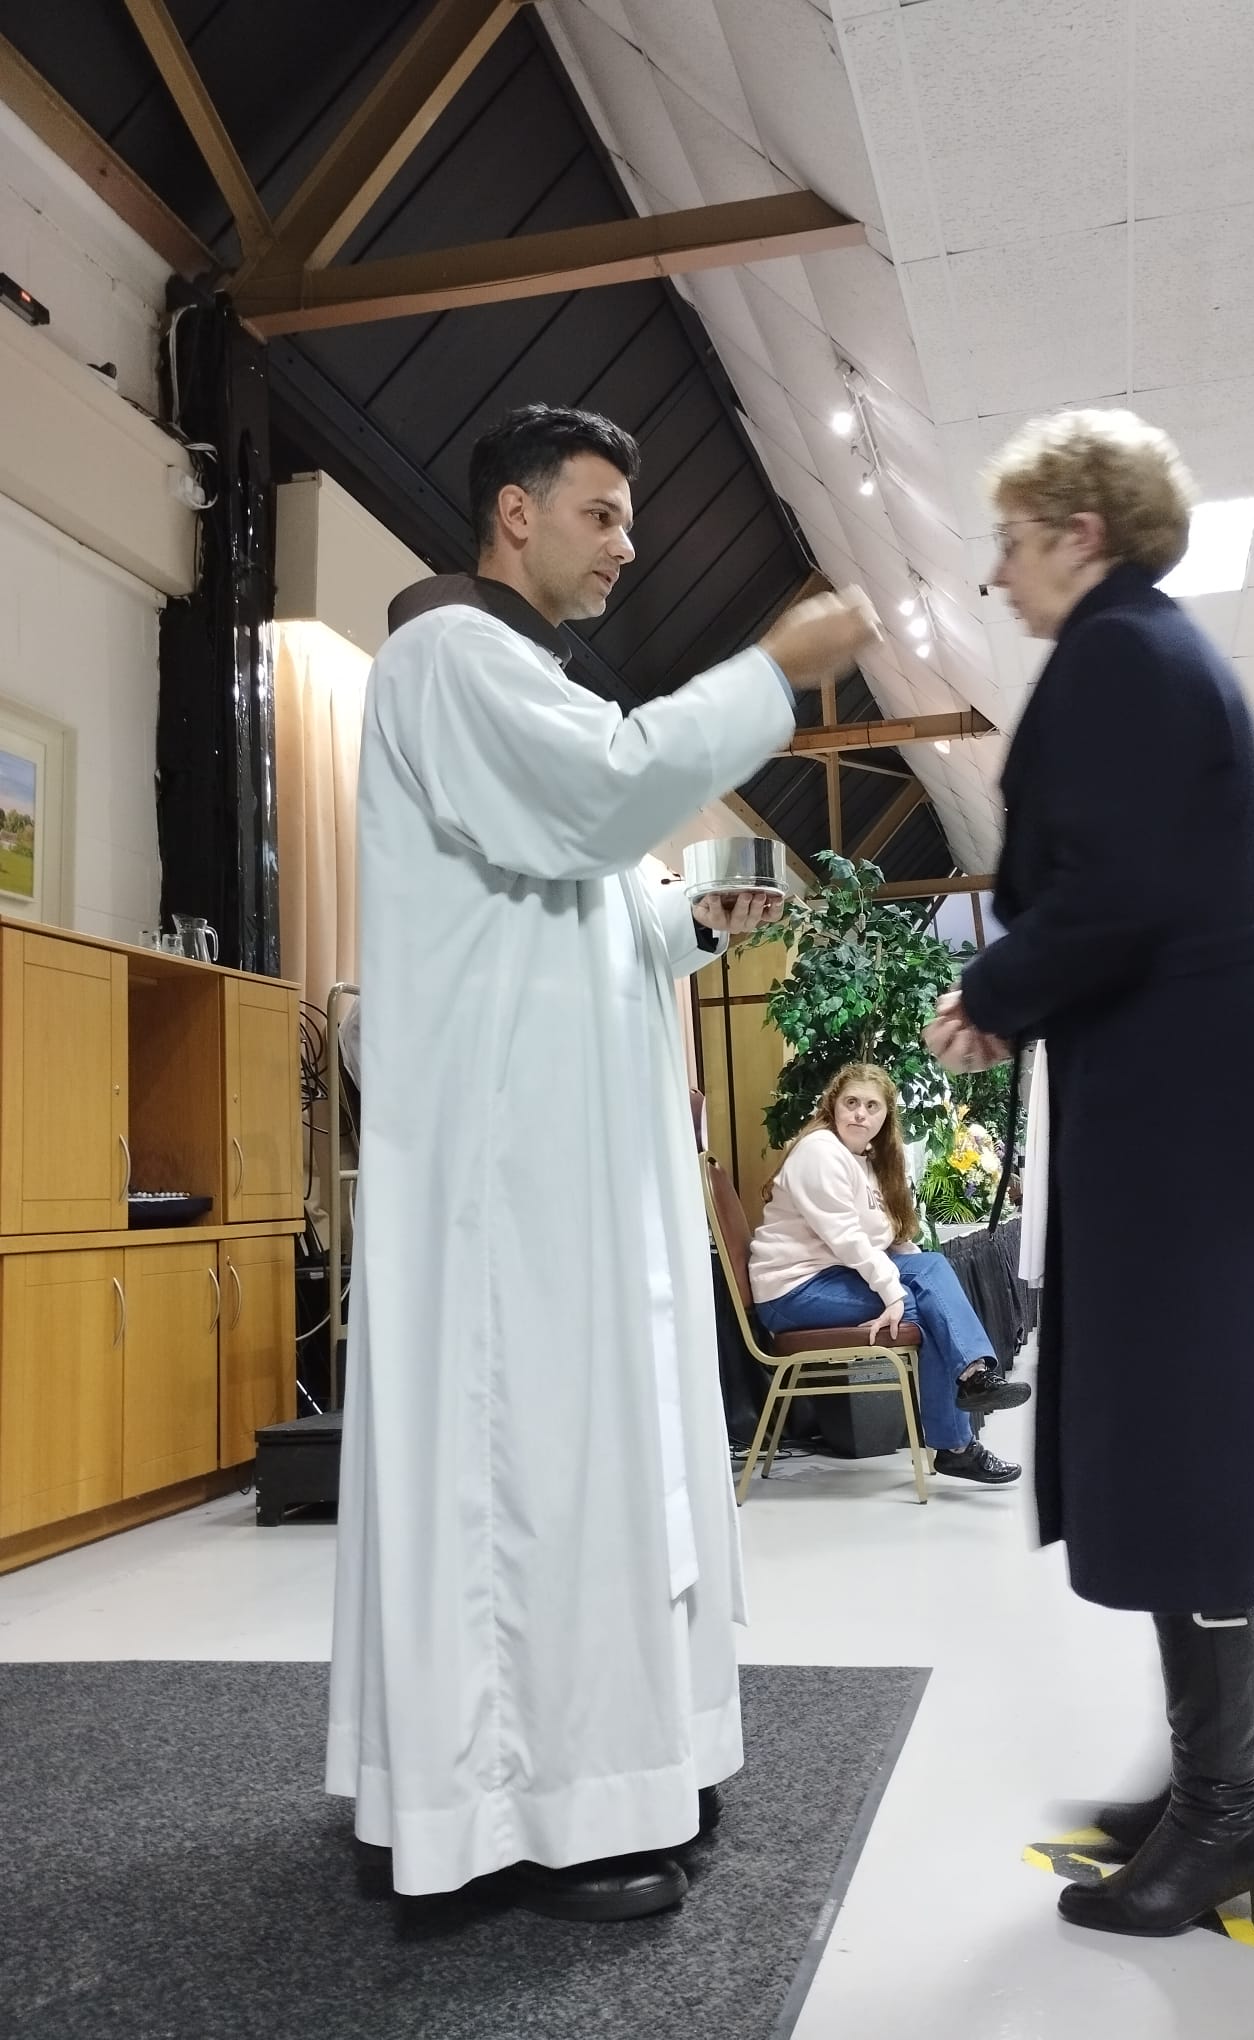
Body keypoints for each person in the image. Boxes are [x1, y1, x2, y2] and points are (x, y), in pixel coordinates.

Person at [327, 402, 883, 1919]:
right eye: (603, 514)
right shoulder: (451, 657)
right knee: (533, 1473)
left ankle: (620, 1768)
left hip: (570, 1165)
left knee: (596, 1467)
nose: (628, 546)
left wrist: (688, 919)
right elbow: (596, 801)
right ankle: (521, 1810)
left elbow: (595, 892)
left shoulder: (524, 680)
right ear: (514, 512)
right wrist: (773, 668)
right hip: (511, 1176)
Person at [924, 407, 1254, 1939]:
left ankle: (1226, 1816)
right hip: (1199, 1082)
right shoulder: (1154, 652)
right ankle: (1206, 1785)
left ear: (1081, 531)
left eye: (1011, 540)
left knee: (1200, 1438)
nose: (998, 573)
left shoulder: (1121, 654)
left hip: (1193, 1098)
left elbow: (1117, 888)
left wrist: (993, 992)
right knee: (1194, 1430)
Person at [748, 1064, 1029, 1486]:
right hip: (792, 1292)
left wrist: (915, 1273)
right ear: (833, 1106)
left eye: (871, 1106)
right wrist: (894, 1294)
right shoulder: (819, 1152)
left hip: (832, 1277)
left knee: (932, 1268)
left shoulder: (868, 1161)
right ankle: (957, 1442)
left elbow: (886, 1240)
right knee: (923, 1310)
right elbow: (847, 1239)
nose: (860, 1113)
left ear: (885, 1116)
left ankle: (973, 1382)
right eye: (851, 1103)